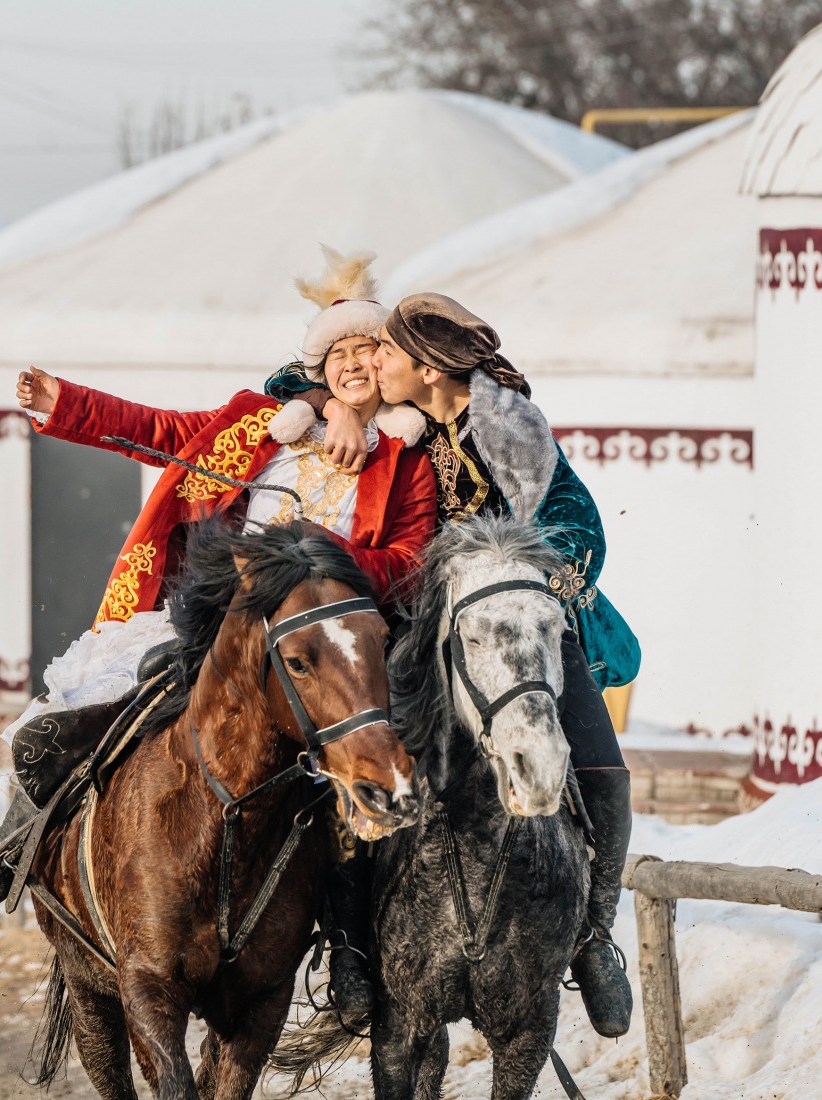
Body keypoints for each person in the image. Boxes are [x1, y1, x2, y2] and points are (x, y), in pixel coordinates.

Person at [0, 252, 438, 1010]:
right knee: (83, 719)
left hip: (329, 646)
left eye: (370, 351)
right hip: (220, 627)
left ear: (389, 363)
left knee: (366, 787)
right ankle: (8, 852)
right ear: (317, 368)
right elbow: (155, 430)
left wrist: (318, 561)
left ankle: (352, 956)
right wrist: (67, 405)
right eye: (341, 353)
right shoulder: (257, 429)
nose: (357, 365)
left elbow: (409, 561)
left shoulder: (404, 459)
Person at [269, 292, 642, 1038]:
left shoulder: (508, 427)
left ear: (429, 370)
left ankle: (594, 938)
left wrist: (519, 581)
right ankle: (348, 947)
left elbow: (578, 523)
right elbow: (287, 380)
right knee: (357, 760)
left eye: (387, 356)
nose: (373, 364)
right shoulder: (413, 423)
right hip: (415, 625)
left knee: (603, 772)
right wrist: (328, 403)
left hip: (513, 622)